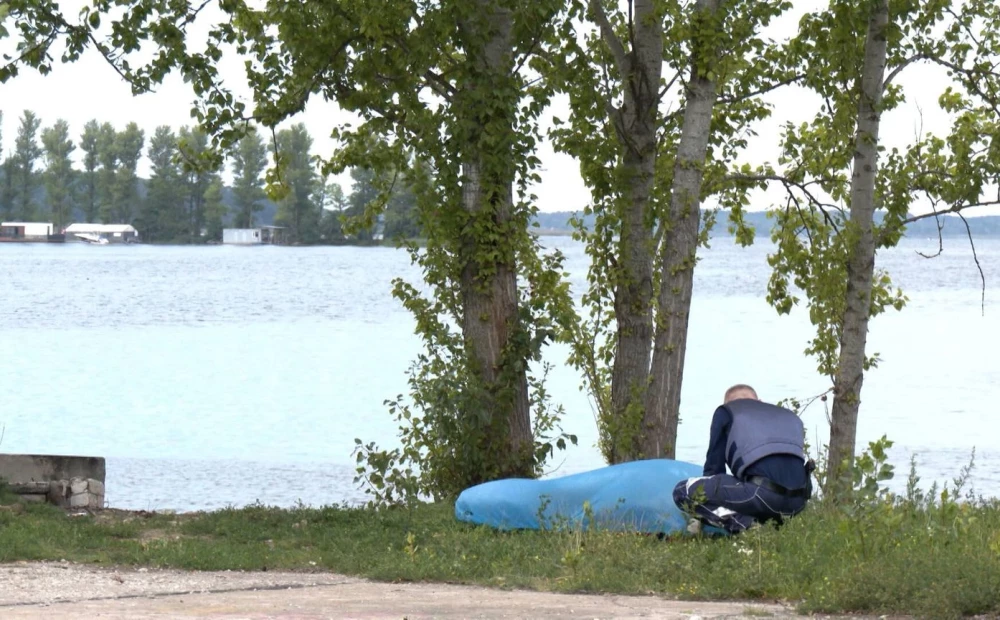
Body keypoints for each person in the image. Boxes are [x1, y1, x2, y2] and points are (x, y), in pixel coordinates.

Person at [672, 384, 815, 535]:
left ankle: (747, 526)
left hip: (761, 495)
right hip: (798, 503)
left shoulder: (726, 412)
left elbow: (714, 469)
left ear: (728, 404)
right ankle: (768, 526)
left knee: (683, 491)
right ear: (759, 401)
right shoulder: (788, 416)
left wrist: (700, 513)